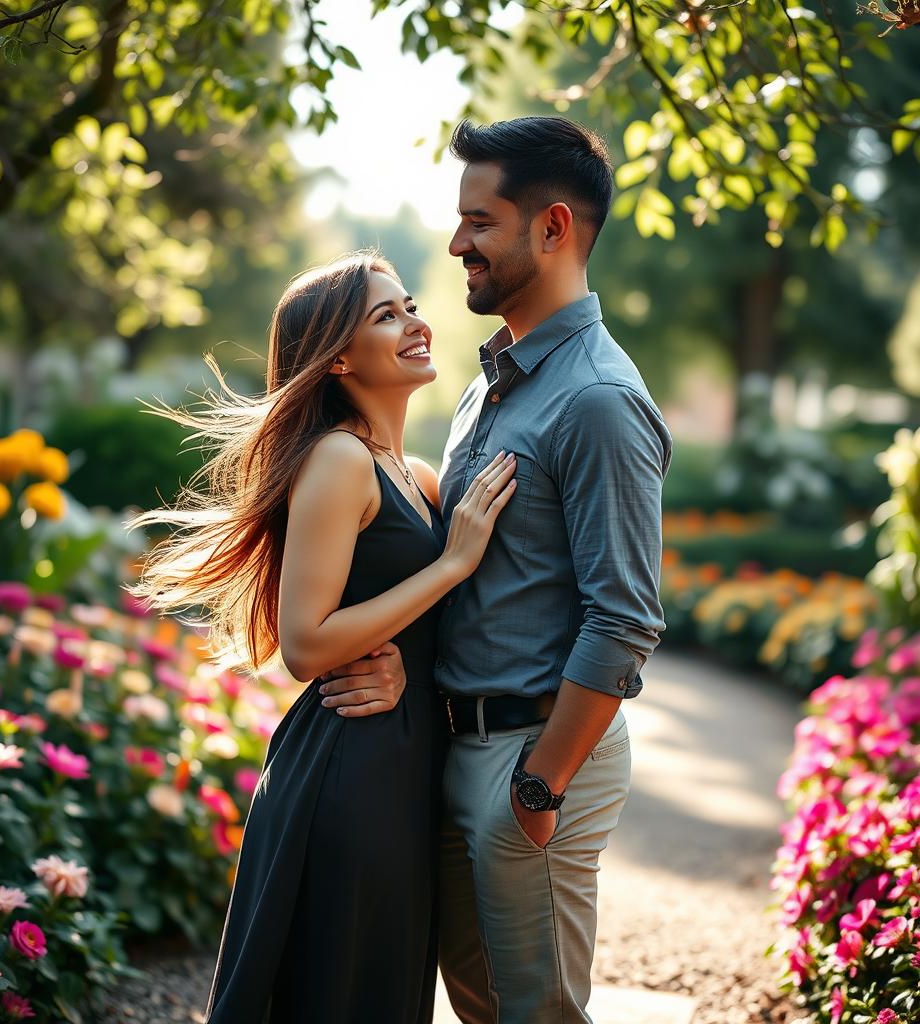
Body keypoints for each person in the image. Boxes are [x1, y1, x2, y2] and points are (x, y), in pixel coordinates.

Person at [324, 116, 672, 1023]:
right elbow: (475, 572)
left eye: (480, 222)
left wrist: (538, 787)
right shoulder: (491, 381)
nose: (456, 244)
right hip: (460, 745)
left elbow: (624, 620)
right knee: (483, 1009)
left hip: (534, 757)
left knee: (537, 1015)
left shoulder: (597, 399)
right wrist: (410, 660)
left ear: (552, 228)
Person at [124, 251, 517, 1023]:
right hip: (349, 767)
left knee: (383, 986)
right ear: (337, 356)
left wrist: (408, 666)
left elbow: (422, 630)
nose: (414, 322)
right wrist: (454, 563)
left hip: (405, 761)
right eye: (386, 315)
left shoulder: (418, 476)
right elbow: (306, 644)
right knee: (335, 989)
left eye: (408, 304)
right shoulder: (339, 460)